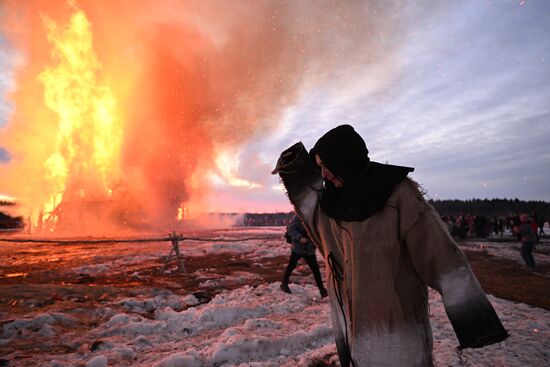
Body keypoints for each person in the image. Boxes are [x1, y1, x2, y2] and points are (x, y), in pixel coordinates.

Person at [272, 125, 508, 367]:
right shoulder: (333, 200)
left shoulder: (398, 195)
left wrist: (474, 319)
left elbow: (442, 256)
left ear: (345, 160)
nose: (323, 174)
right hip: (350, 326)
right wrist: (295, 170)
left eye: (326, 165)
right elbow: (311, 211)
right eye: (318, 166)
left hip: (396, 328)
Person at [281, 214, 328, 298]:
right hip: (298, 248)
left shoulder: (316, 218)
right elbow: (291, 229)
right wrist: (300, 238)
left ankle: (322, 290)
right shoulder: (299, 216)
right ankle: (284, 284)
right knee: (291, 265)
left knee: (315, 269)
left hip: (309, 249)